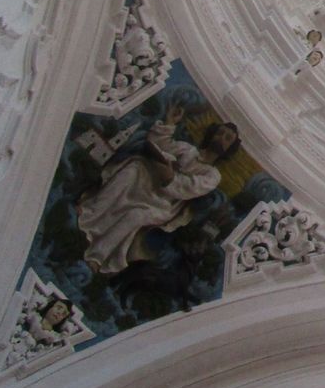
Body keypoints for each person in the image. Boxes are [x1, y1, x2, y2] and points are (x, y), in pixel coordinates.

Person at [75, 105, 240, 276]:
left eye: (228, 138)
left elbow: (188, 188)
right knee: (132, 169)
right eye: (220, 133)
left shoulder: (212, 175)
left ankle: (97, 257)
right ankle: (89, 212)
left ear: (230, 148)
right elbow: (159, 143)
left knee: (136, 215)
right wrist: (170, 122)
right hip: (147, 181)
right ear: (212, 133)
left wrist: (170, 176)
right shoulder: (187, 149)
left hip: (163, 203)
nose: (221, 138)